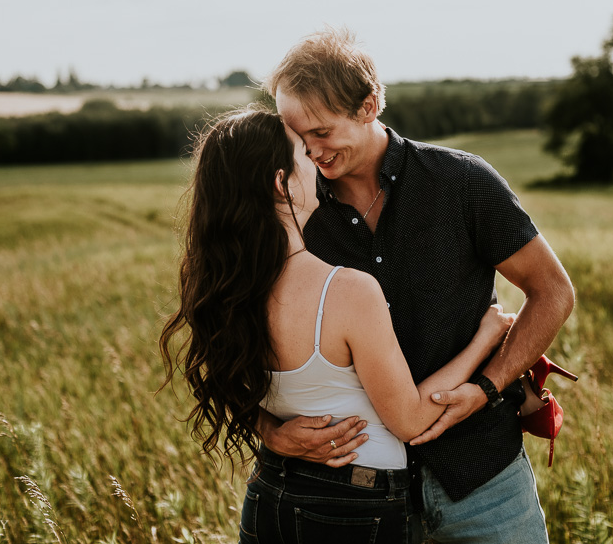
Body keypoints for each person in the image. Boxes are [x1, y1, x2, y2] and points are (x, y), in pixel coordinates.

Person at [259, 28, 576, 543]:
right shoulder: (295, 210)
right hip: (350, 494)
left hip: (483, 478)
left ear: (369, 105)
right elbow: (243, 331)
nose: (310, 151)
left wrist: (486, 388)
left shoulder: (461, 181)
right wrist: (268, 429)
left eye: (320, 132)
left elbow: (553, 292)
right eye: (296, 137)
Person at [158, 106, 519, 543]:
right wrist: (486, 337)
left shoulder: (223, 287)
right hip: (355, 507)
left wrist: (270, 431)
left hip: (270, 494)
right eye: (303, 155)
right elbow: (410, 420)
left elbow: (230, 383)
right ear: (281, 182)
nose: (316, 161)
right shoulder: (345, 291)